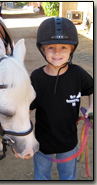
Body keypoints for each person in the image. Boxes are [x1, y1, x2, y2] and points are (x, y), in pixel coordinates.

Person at [30, 17, 93, 180]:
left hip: (69, 142)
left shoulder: (78, 74)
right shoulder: (36, 77)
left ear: (72, 49)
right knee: (41, 175)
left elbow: (92, 88)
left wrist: (92, 107)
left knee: (68, 176)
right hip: (42, 143)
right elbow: (27, 106)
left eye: (63, 47)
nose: (57, 52)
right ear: (42, 49)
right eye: (51, 47)